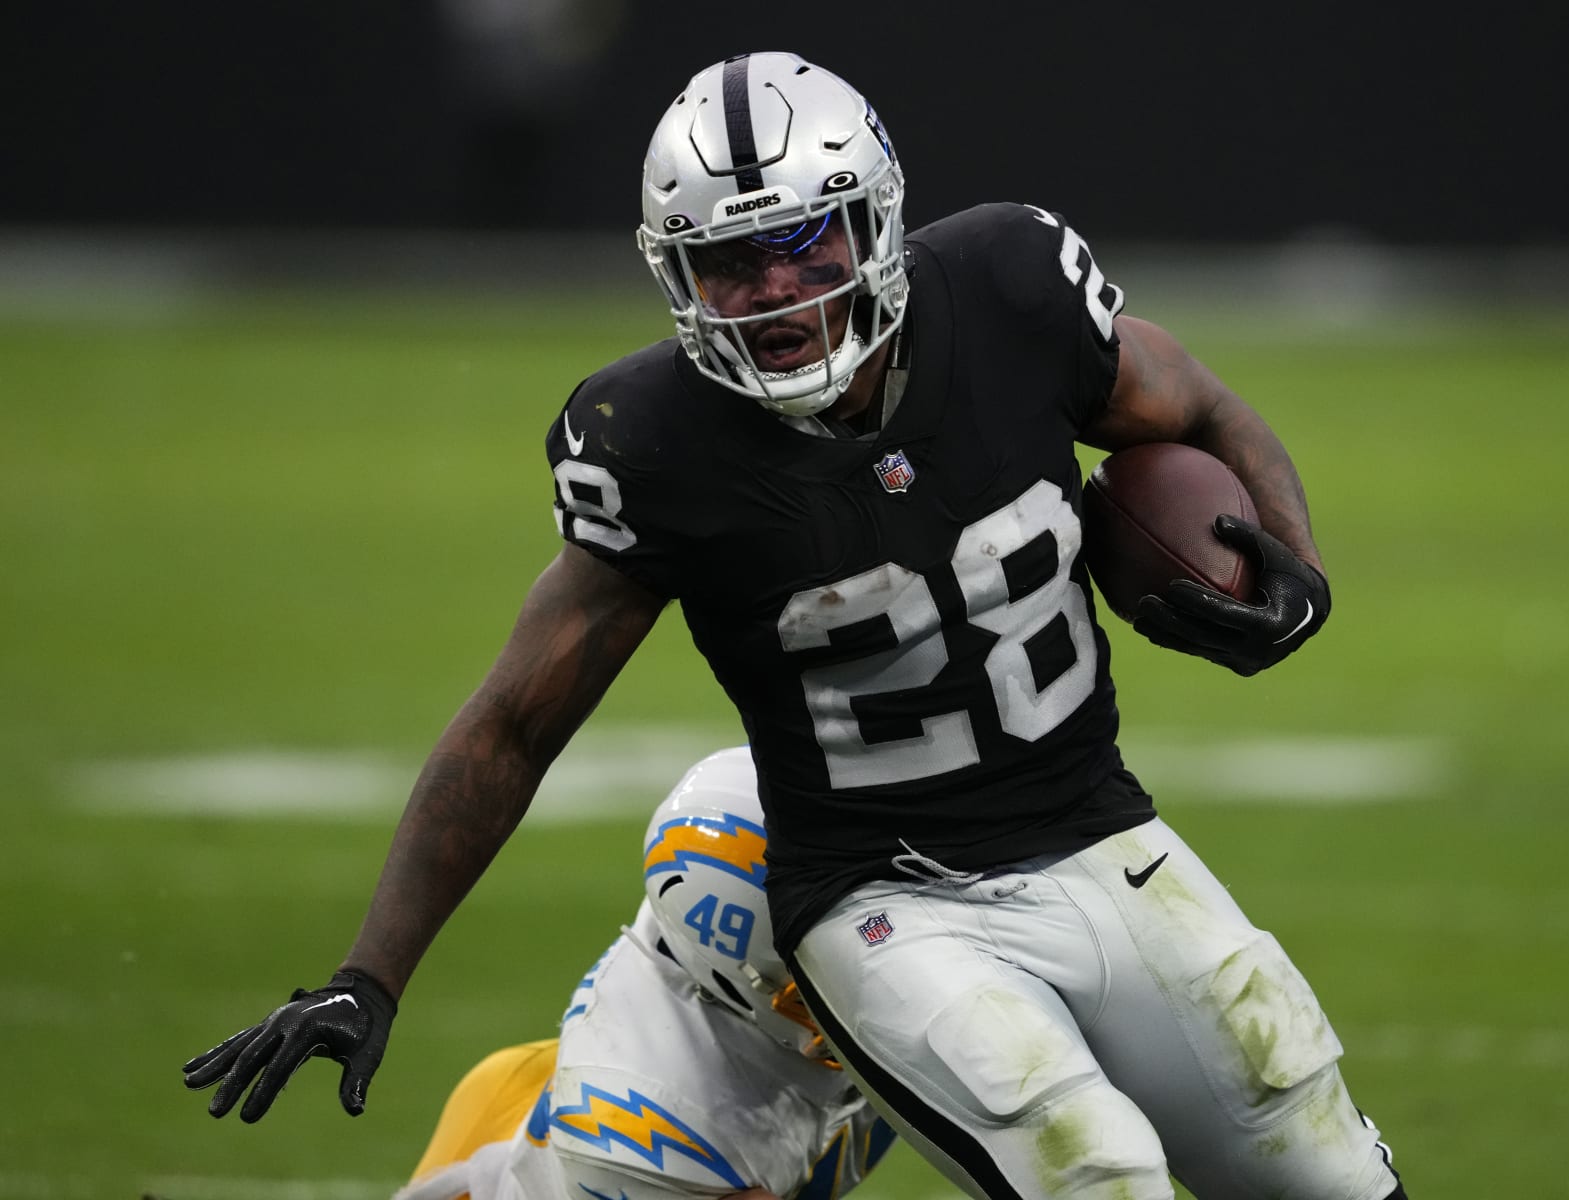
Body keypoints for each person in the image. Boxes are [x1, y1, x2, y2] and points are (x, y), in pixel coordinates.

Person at [185, 50, 1404, 1200]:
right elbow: (513, 723)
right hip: (885, 900)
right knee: (1095, 1170)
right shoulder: (652, 441)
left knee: (1322, 1152)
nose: (771, 288)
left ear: (873, 222)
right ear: (677, 274)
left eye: (800, 242)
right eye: (729, 260)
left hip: (1098, 832)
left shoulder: (1009, 288)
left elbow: (1205, 405)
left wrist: (1294, 565)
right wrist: (368, 977)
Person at [394, 747, 895, 1200]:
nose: (882, 968)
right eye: (823, 968)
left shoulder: (726, 929)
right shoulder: (644, 1123)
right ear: (744, 978)